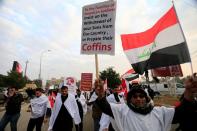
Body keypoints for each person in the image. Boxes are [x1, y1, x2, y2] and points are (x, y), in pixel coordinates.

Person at [94, 74, 197, 131]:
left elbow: (181, 111)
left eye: (141, 96)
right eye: (134, 96)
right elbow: (105, 107)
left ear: (147, 98)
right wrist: (101, 95)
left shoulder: (159, 112)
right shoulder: (123, 111)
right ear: (130, 99)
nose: (138, 98)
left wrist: (188, 90)